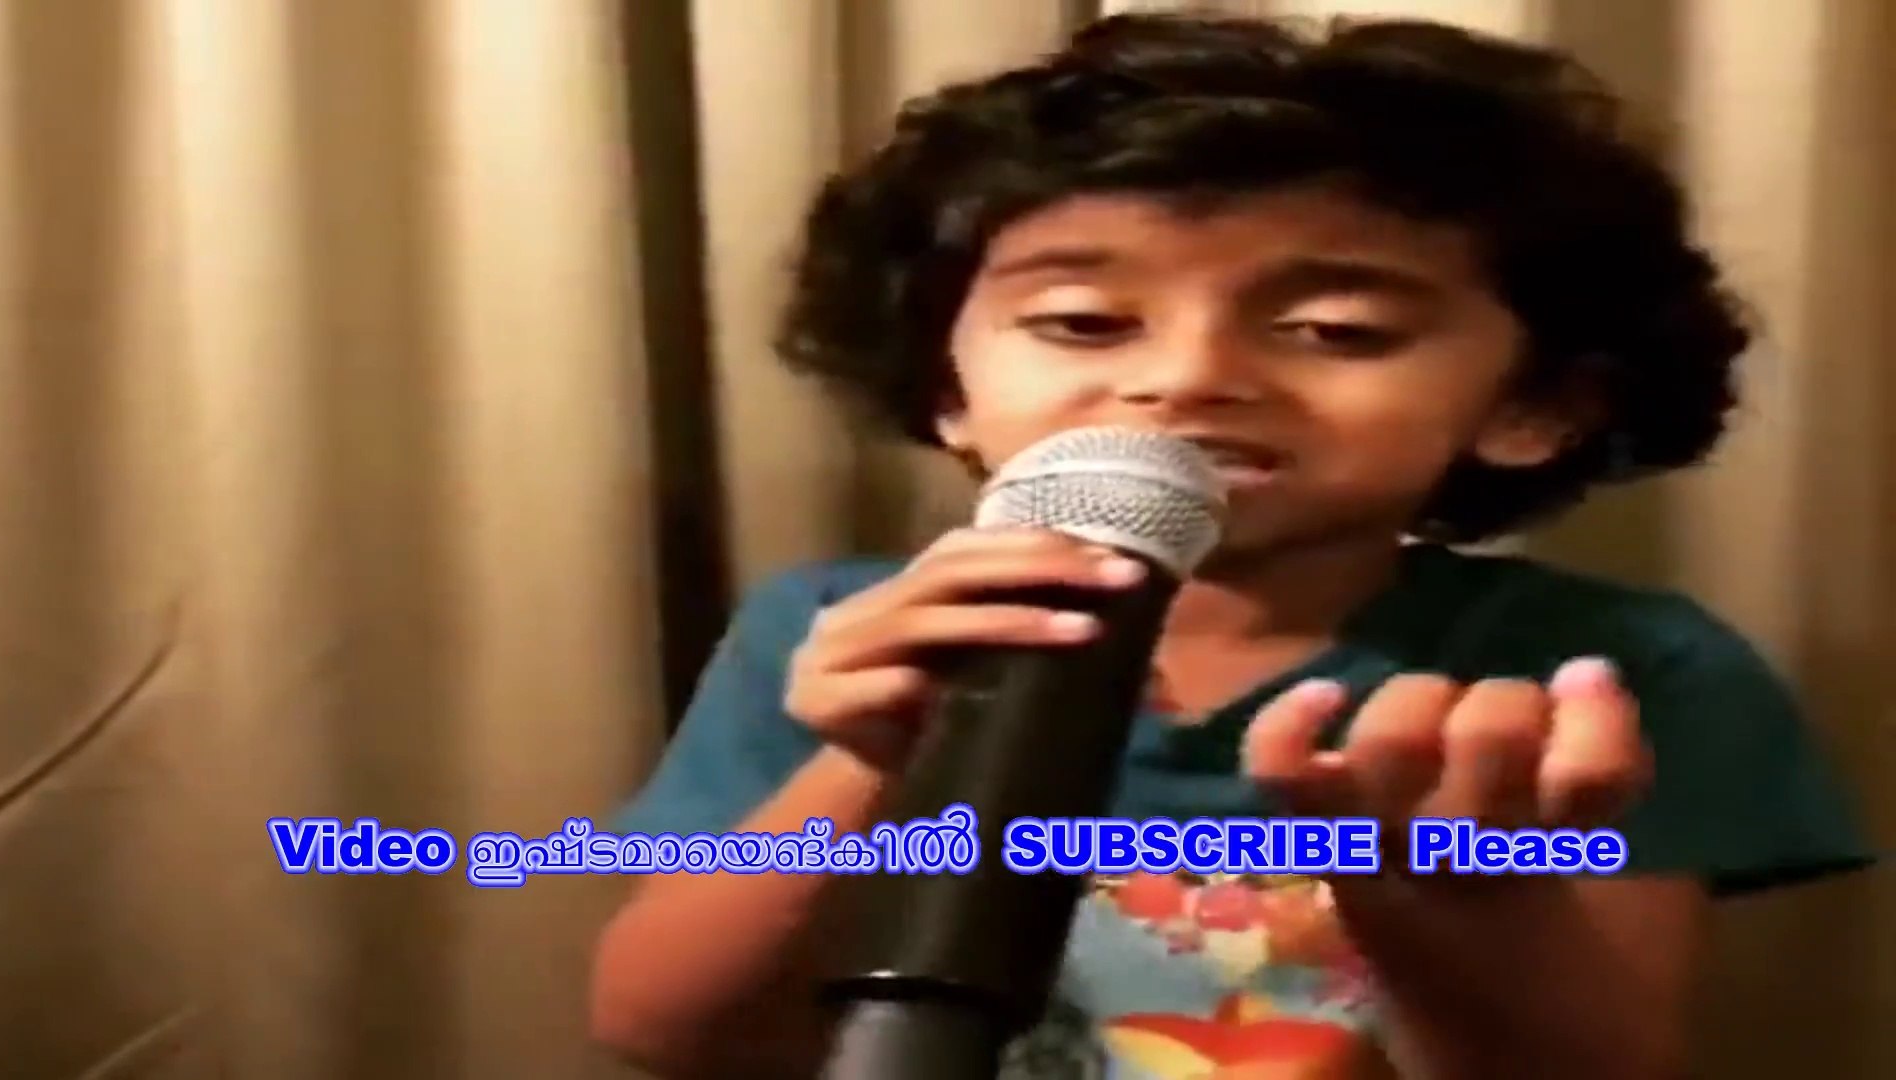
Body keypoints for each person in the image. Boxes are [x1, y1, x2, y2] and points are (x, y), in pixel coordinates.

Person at [587, 13, 1875, 1079]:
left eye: (1337, 331)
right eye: (1085, 322)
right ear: (947, 390)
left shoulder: (1610, 672)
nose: (1189, 377)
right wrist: (871, 763)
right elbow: (664, 1030)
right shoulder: (837, 636)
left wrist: (1457, 900)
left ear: (1535, 404)